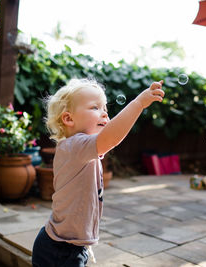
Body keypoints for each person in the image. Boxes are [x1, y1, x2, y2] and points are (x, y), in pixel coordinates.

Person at [32, 78, 164, 267]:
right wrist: (138, 104)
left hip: (67, 245)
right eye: (95, 107)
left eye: (105, 110)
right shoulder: (75, 146)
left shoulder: (79, 149)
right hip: (60, 250)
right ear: (68, 119)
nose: (104, 114)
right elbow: (111, 136)